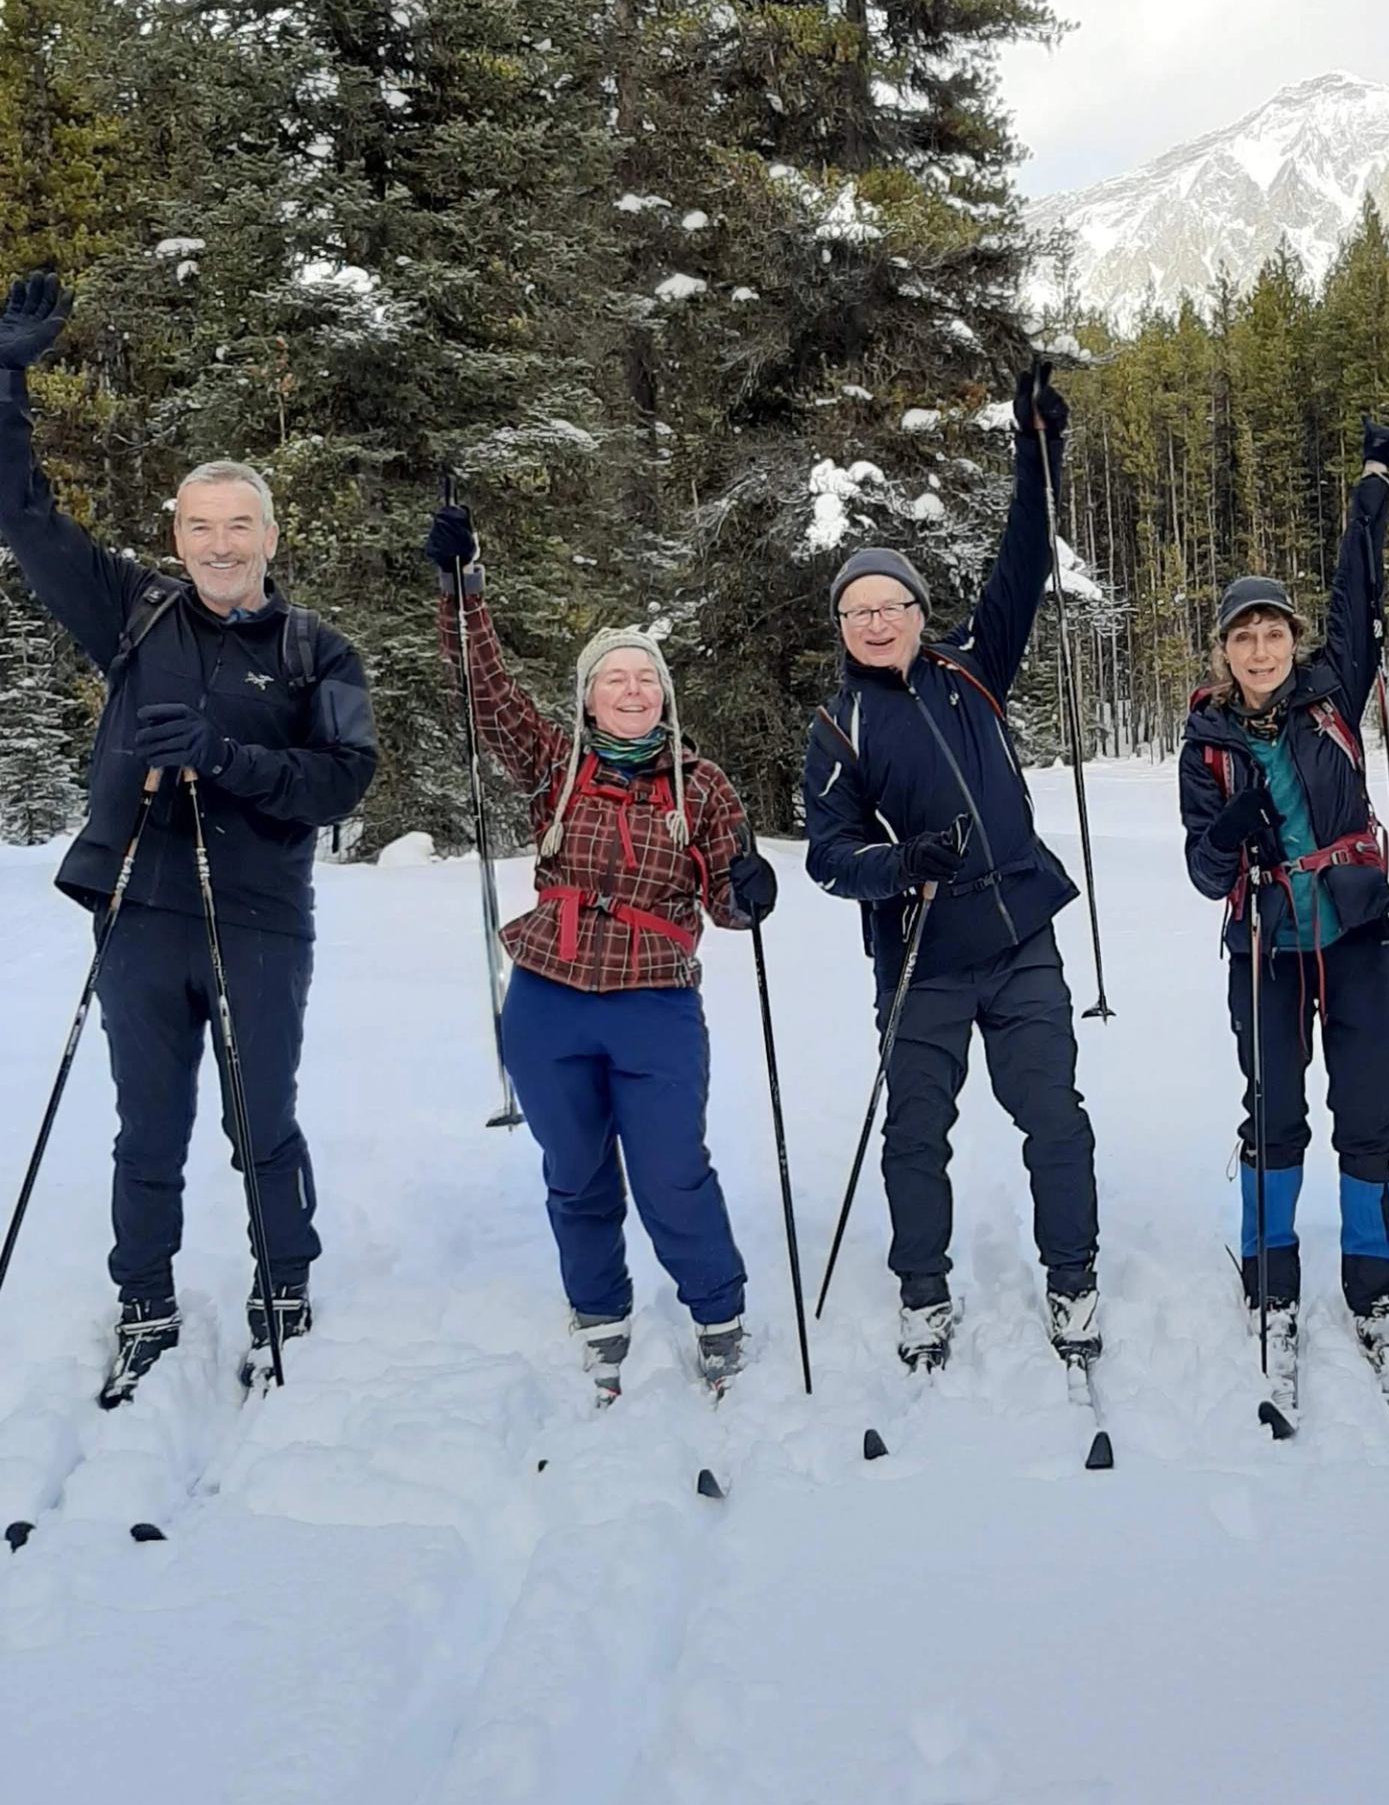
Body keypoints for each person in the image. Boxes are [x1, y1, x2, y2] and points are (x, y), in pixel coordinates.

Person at [0, 268, 377, 1402]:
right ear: (177, 532)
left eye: (239, 525)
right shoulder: (133, 607)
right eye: (200, 525)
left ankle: (285, 1277)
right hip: (141, 907)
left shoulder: (320, 652)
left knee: (262, 1115)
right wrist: (4, 379)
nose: (220, 544)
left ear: (270, 532)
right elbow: (21, 514)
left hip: (261, 915)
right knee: (145, 1125)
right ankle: (145, 1294)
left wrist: (227, 759)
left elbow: (344, 781)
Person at [426, 502, 773, 1396]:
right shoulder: (556, 767)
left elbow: (730, 905)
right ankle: (599, 1309)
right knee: (574, 1170)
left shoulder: (701, 784)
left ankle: (718, 1308)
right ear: (587, 696)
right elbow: (485, 691)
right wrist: (463, 590)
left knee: (671, 1171)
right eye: (613, 679)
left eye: (644, 680)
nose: (630, 691)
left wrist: (749, 887)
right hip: (547, 997)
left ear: (664, 694)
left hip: (655, 1002)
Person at [803, 361, 1100, 1370]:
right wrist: (899, 865)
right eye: (858, 611)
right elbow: (829, 858)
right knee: (916, 1133)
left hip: (1018, 935)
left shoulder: (975, 668)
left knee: (1053, 1116)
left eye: (892, 605)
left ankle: (1074, 1279)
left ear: (922, 614)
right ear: (843, 629)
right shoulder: (838, 723)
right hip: (920, 957)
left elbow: (1021, 565)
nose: (876, 621)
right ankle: (922, 1292)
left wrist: (1038, 448)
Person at [1180, 412, 1389, 1357]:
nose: (1259, 649)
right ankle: (1269, 1265)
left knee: (1369, 1106)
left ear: (1292, 638)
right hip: (1267, 948)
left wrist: (1372, 480)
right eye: (1242, 636)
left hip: (1357, 925)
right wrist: (1234, 832)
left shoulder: (1333, 694)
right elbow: (1206, 872)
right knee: (1275, 1110)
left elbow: (1357, 590)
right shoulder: (1205, 743)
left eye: (1272, 631)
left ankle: (1373, 1272)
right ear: (1224, 652)